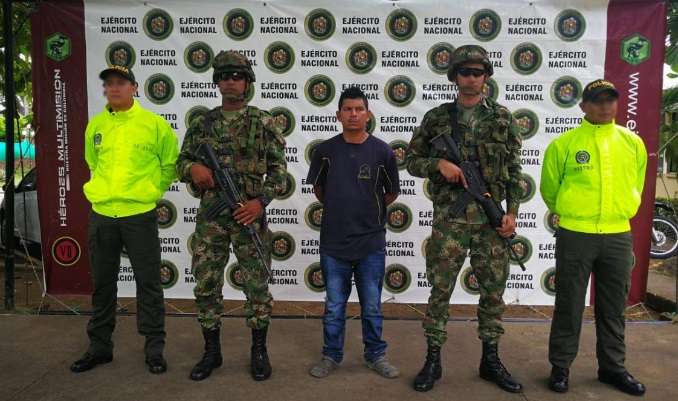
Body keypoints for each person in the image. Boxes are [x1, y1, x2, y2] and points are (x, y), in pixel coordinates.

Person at [406, 45, 523, 393]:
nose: (471, 78)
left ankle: (490, 360)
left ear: (486, 76)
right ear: (454, 76)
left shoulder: (502, 117)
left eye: (477, 72)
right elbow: (412, 160)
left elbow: (515, 170)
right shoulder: (438, 118)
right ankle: (433, 360)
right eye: (464, 72)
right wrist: (437, 165)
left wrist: (512, 212)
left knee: (492, 293)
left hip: (490, 221)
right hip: (450, 220)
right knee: (439, 291)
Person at [175, 50, 287, 382]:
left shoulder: (263, 121)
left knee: (256, 286)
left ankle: (259, 351)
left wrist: (260, 202)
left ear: (247, 82)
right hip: (212, 220)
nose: (230, 82)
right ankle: (212, 351)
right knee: (206, 283)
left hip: (249, 216)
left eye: (236, 76)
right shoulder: (202, 123)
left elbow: (280, 174)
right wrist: (193, 167)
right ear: (217, 82)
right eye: (224, 76)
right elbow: (180, 163)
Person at [540, 79, 647, 396]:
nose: (605, 106)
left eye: (610, 100)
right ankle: (560, 367)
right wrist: (573, 211)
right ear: (583, 106)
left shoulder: (632, 142)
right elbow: (550, 189)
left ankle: (612, 368)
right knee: (569, 304)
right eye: (597, 100)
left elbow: (636, 183)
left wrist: (621, 209)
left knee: (613, 306)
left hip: (617, 234)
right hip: (576, 234)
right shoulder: (565, 144)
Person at [71, 65, 179, 374]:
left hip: (139, 216)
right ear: (104, 90)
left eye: (121, 83)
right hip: (103, 215)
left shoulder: (154, 125)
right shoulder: (96, 126)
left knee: (149, 284)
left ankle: (154, 349)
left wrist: (151, 191)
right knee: (103, 284)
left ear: (134, 87)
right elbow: (93, 163)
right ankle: (100, 347)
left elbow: (169, 164)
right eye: (108, 84)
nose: (114, 88)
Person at [306, 87, 401, 379]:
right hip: (333, 244)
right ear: (338, 115)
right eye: (347, 109)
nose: (353, 114)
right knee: (334, 306)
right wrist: (343, 207)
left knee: (371, 305)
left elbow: (391, 192)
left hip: (370, 242)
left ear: (368, 114)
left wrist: (364, 211)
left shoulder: (383, 152)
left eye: (359, 109)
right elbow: (320, 190)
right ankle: (331, 355)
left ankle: (376, 355)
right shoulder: (325, 152)